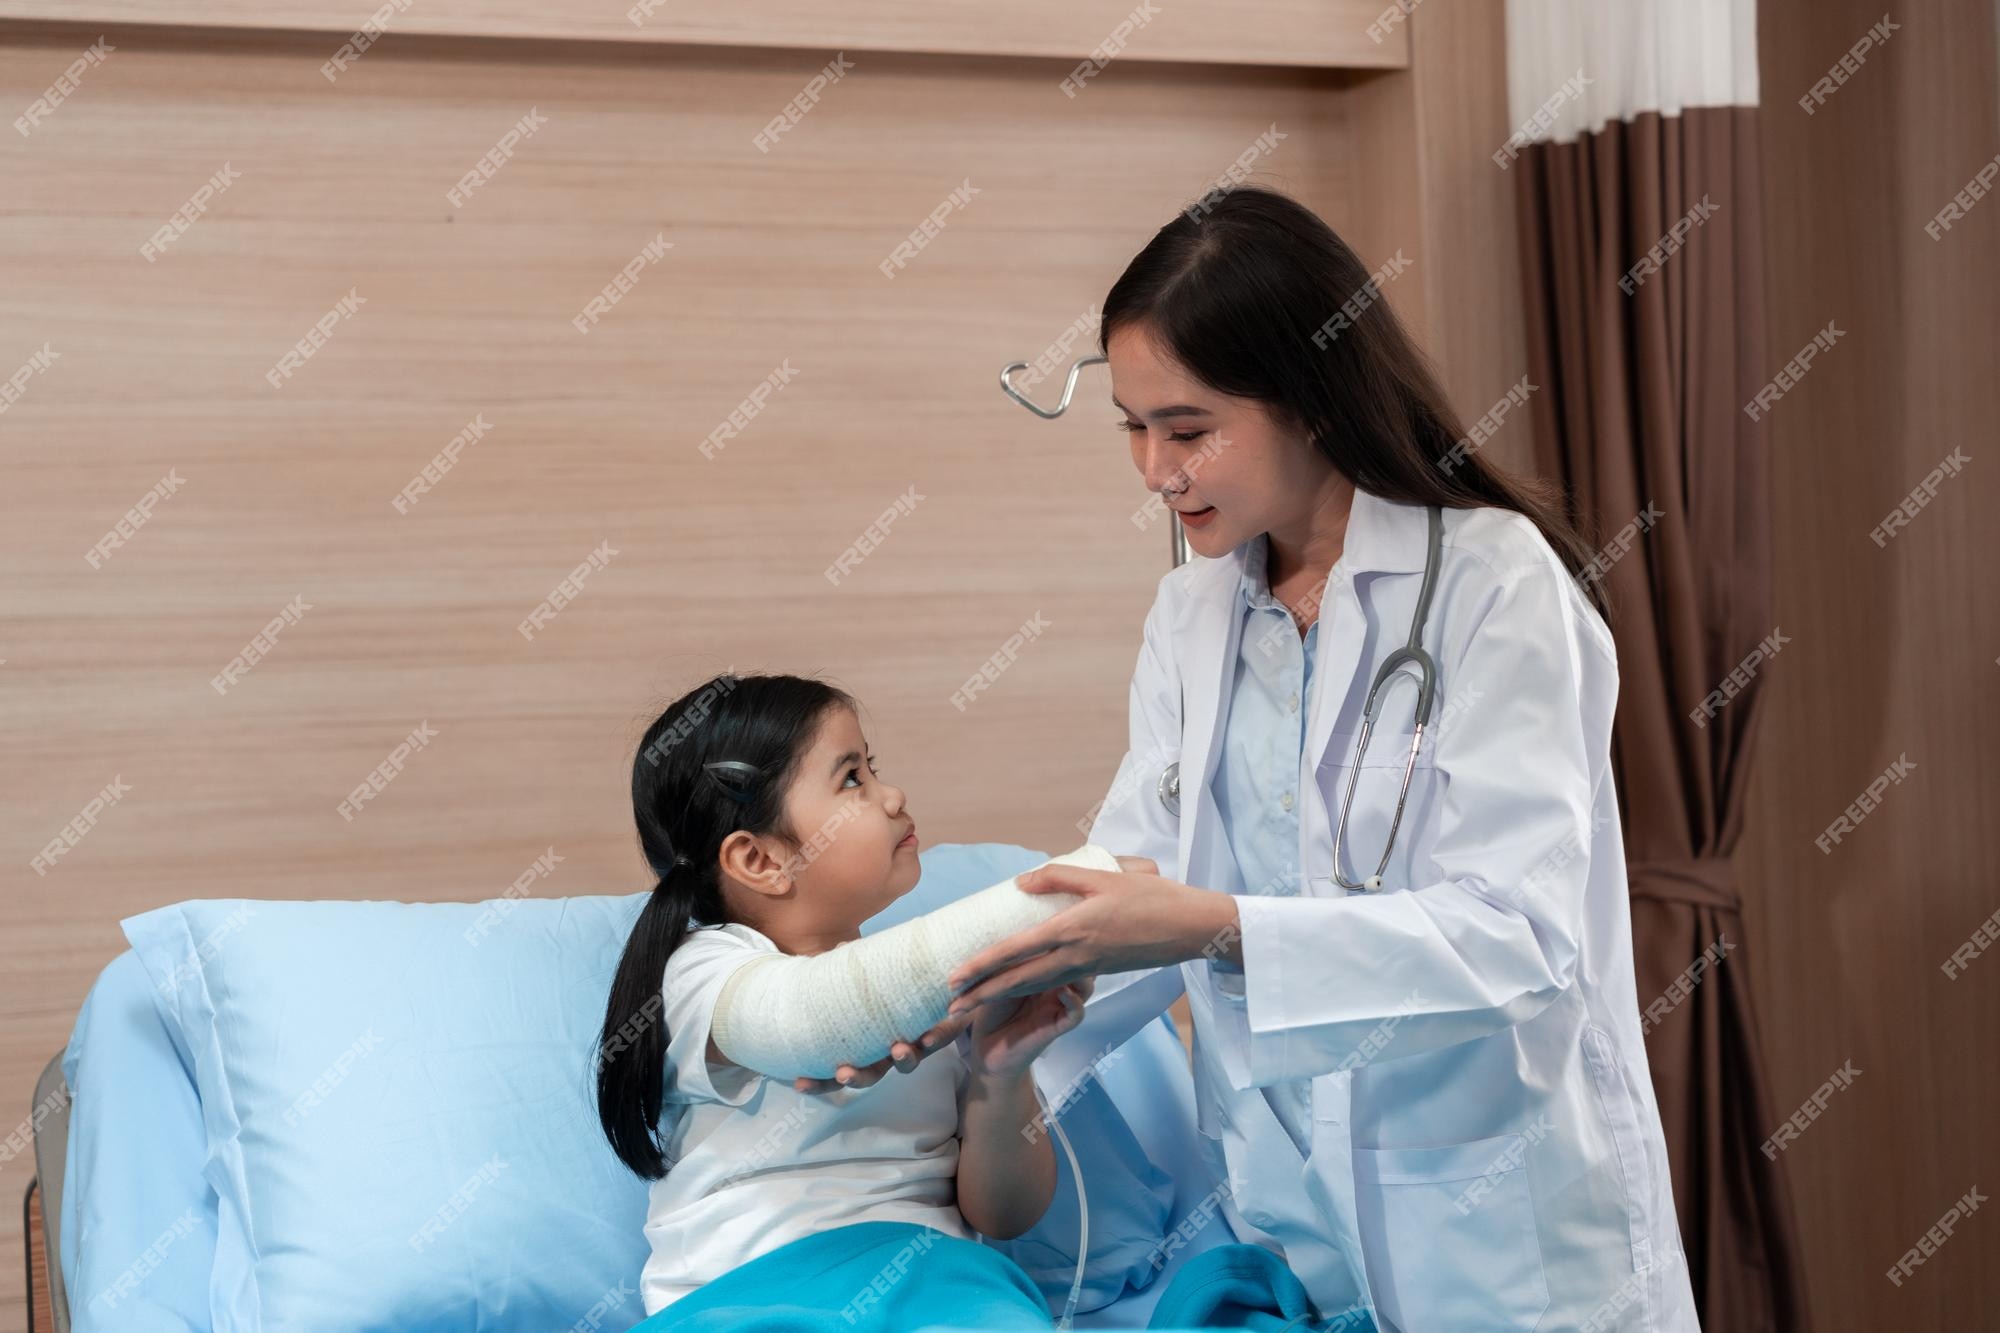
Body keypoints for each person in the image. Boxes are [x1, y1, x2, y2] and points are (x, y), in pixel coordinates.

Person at [937, 186, 1702, 1332]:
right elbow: (1134, 881)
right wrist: (960, 1010)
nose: (1152, 470)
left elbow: (1519, 935)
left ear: (1309, 397)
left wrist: (1217, 929)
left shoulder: (1492, 583)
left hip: (1500, 1232)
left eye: (1186, 430)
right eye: (1133, 430)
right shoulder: (1191, 619)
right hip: (1295, 1218)